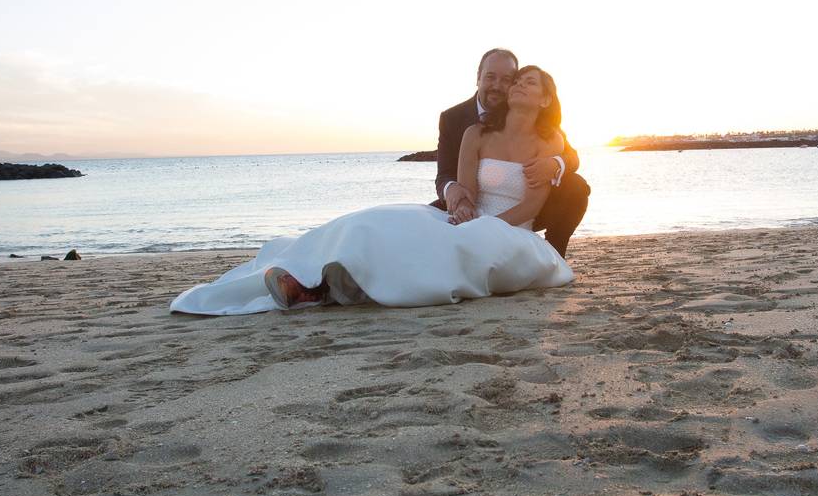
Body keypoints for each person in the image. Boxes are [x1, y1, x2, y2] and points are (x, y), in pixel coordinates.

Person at [170, 65, 573, 315]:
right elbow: (464, 187)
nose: (515, 85)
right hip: (469, 220)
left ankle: (327, 290)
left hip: (512, 232)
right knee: (381, 221)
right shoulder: (475, 131)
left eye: (526, 81)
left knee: (439, 252)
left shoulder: (551, 140)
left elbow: (532, 205)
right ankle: (308, 278)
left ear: (546, 97)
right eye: (511, 80)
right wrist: (462, 208)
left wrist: (486, 225)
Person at [434, 48, 589, 257]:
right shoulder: (455, 120)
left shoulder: (546, 133)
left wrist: (554, 164)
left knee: (576, 187)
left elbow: (572, 157)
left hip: (523, 215)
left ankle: (554, 254)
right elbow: (445, 174)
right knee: (416, 229)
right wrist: (455, 194)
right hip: (471, 207)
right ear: (478, 78)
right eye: (490, 77)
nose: (497, 86)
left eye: (507, 79)